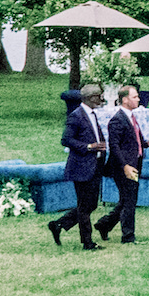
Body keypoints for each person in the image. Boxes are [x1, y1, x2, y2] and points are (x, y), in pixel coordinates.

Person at [51, 83, 107, 251]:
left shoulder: (92, 115)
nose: (101, 99)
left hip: (94, 165)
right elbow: (66, 140)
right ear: (90, 98)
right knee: (84, 207)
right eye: (98, 96)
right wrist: (89, 147)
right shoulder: (76, 116)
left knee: (91, 205)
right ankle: (87, 242)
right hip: (81, 166)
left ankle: (59, 224)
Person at [97, 84, 149, 244]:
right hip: (123, 167)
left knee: (126, 199)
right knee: (129, 201)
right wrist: (125, 166)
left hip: (135, 163)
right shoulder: (117, 120)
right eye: (135, 97)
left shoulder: (132, 118)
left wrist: (147, 143)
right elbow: (114, 146)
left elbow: (135, 140)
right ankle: (128, 236)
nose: (138, 99)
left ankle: (104, 224)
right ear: (125, 99)